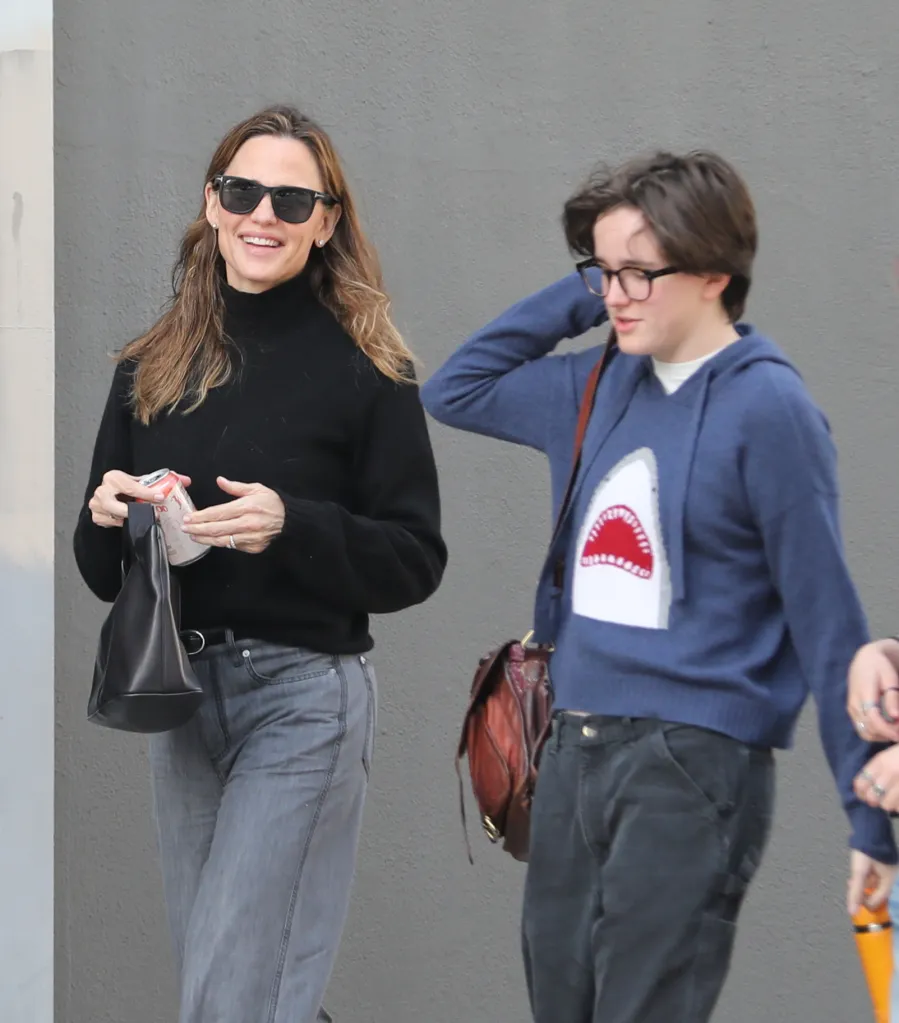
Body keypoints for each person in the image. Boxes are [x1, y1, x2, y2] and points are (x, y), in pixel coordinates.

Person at [420, 150, 897, 1023]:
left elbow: (830, 625)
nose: (615, 294)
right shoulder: (594, 383)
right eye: (601, 273)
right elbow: (455, 388)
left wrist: (870, 823)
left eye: (640, 272)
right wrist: (599, 284)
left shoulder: (768, 409)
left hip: (692, 761)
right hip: (572, 748)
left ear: (714, 270)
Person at [73, 105, 447, 1023]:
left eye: (291, 198)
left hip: (303, 698)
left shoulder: (368, 366)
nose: (263, 214)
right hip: (182, 692)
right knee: (230, 978)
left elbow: (414, 558)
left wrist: (294, 524)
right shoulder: (151, 363)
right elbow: (98, 571)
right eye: (243, 191)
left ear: (325, 221)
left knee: (232, 991)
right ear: (211, 203)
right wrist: (107, 516)